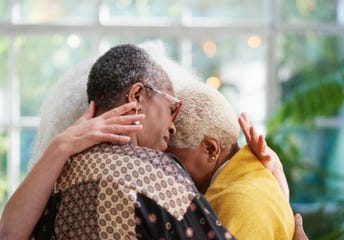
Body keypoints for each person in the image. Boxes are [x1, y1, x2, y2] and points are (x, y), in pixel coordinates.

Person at [0, 42, 309, 240]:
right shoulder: (158, 175)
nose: (172, 125)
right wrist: (278, 197)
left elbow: (10, 233)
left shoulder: (60, 177)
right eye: (171, 105)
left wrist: (62, 146)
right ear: (137, 96)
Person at [166, 81, 294, 239]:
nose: (171, 173)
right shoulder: (257, 179)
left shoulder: (239, 201)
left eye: (175, 162)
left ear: (210, 149)